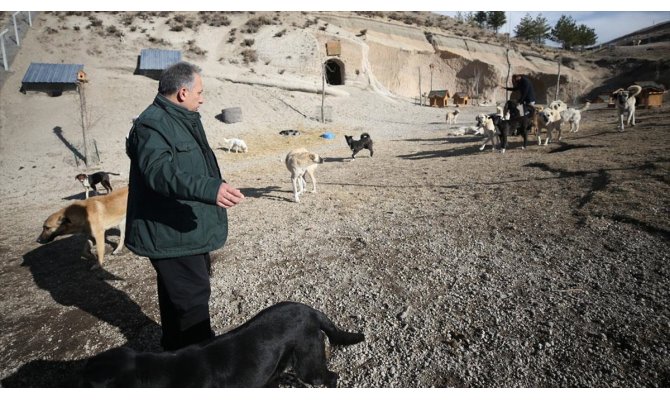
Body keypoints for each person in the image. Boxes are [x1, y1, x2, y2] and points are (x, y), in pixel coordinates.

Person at [125, 61, 244, 351]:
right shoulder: (153, 125)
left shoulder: (179, 118)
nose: (202, 98)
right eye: (199, 92)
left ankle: (174, 354)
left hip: (179, 227)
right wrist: (209, 188)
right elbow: (159, 172)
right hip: (169, 230)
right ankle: (201, 367)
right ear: (182, 92)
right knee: (192, 299)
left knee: (175, 293)